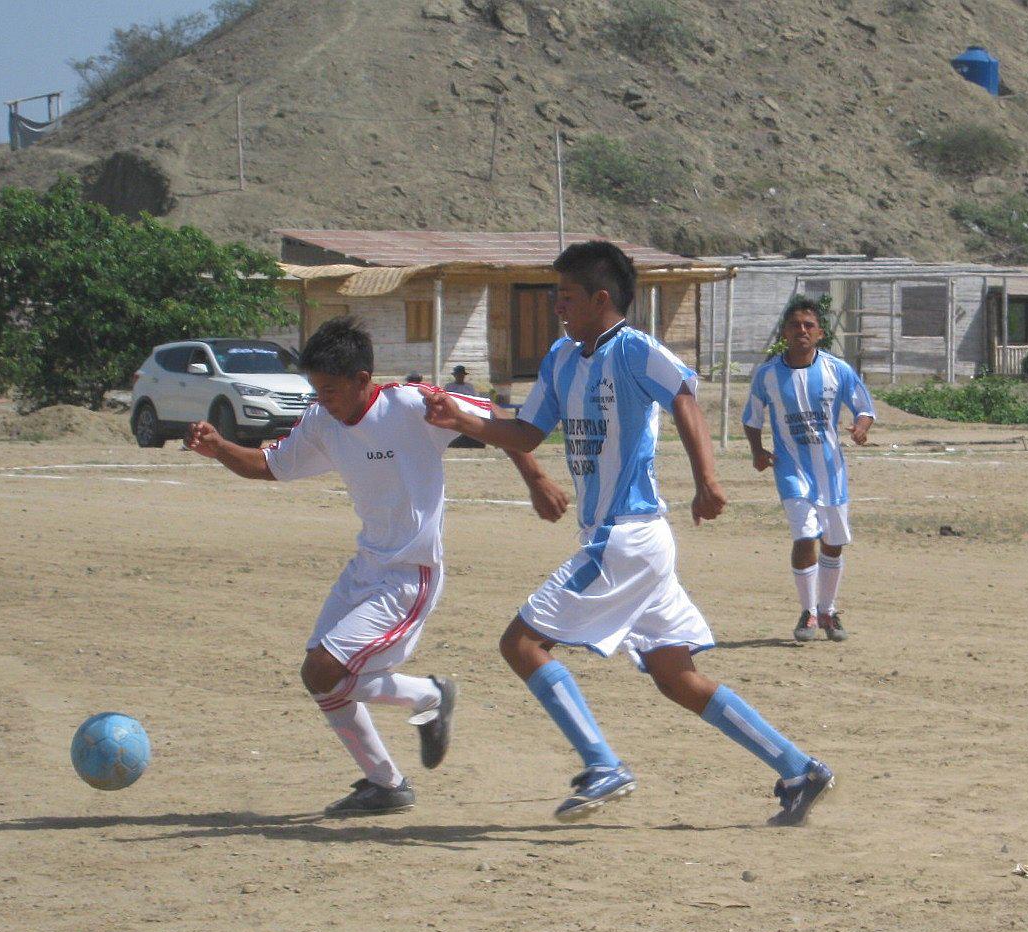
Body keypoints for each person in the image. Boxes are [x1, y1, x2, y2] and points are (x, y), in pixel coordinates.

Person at [421, 241, 834, 827]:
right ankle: (798, 768)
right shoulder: (562, 359)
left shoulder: (636, 350)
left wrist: (707, 480)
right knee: (675, 675)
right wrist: (463, 420)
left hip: (627, 536)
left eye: (565, 297)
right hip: (632, 542)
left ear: (600, 298)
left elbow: (685, 395)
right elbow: (528, 434)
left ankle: (602, 764)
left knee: (522, 644)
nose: (557, 307)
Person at [185, 316, 568, 816]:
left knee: (327, 669)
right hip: (366, 568)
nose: (322, 400)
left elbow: (497, 418)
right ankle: (386, 783)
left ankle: (429, 697)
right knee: (318, 675)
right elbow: (269, 465)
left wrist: (536, 479)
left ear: (362, 380)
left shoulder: (410, 405)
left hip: (411, 573)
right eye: (315, 390)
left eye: (329, 390)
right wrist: (219, 449)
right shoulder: (322, 421)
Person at [741, 296, 875, 643]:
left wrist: (861, 428)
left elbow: (864, 407)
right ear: (784, 332)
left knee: (833, 542)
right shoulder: (768, 375)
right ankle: (808, 611)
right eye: (794, 325)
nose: (801, 330)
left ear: (819, 333)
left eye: (808, 325)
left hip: (832, 472)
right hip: (791, 471)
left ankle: (829, 610)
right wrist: (758, 451)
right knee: (804, 536)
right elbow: (752, 418)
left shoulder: (837, 370)